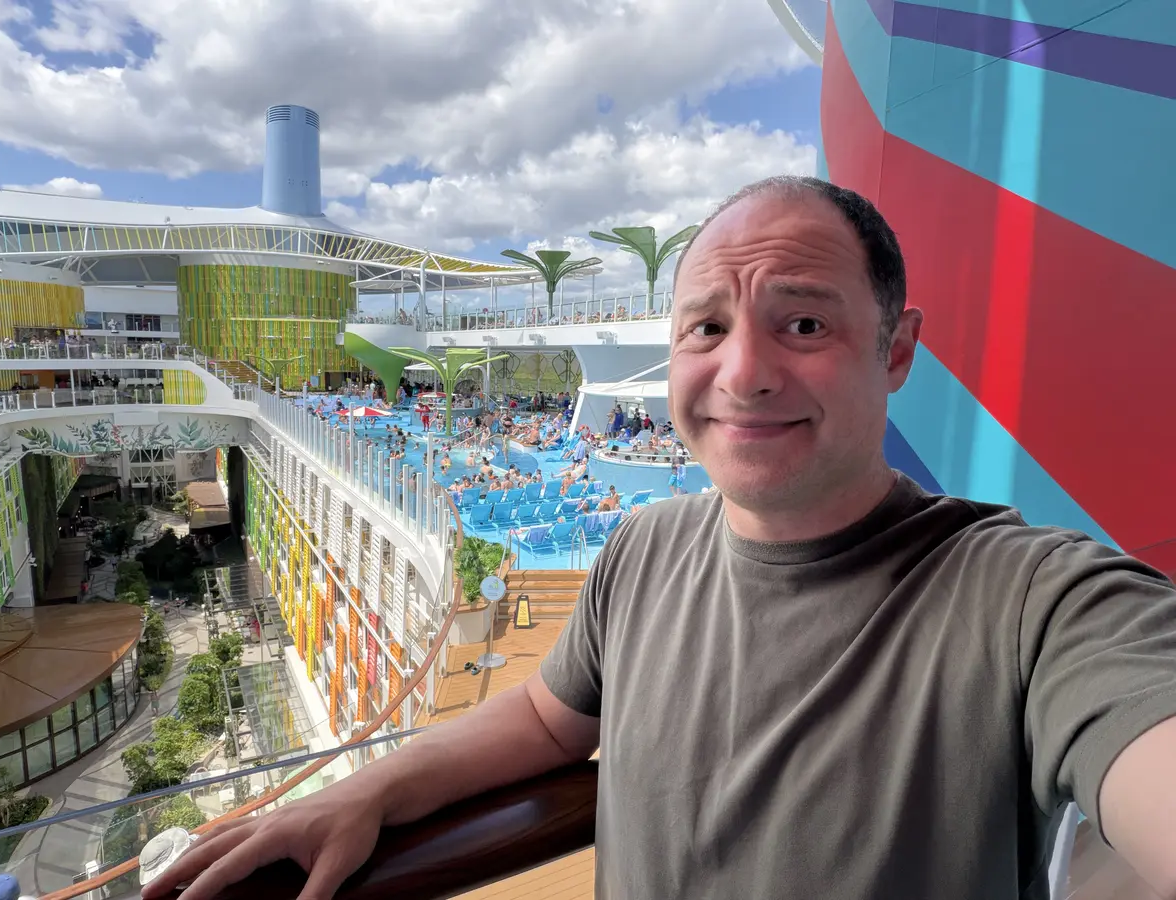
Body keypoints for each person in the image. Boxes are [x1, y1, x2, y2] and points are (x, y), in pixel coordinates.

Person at [143, 176, 1176, 900]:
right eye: (707, 328)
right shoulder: (643, 549)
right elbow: (549, 723)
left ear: (897, 350)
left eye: (804, 324)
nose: (745, 372)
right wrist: (368, 789)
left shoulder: (1031, 601)